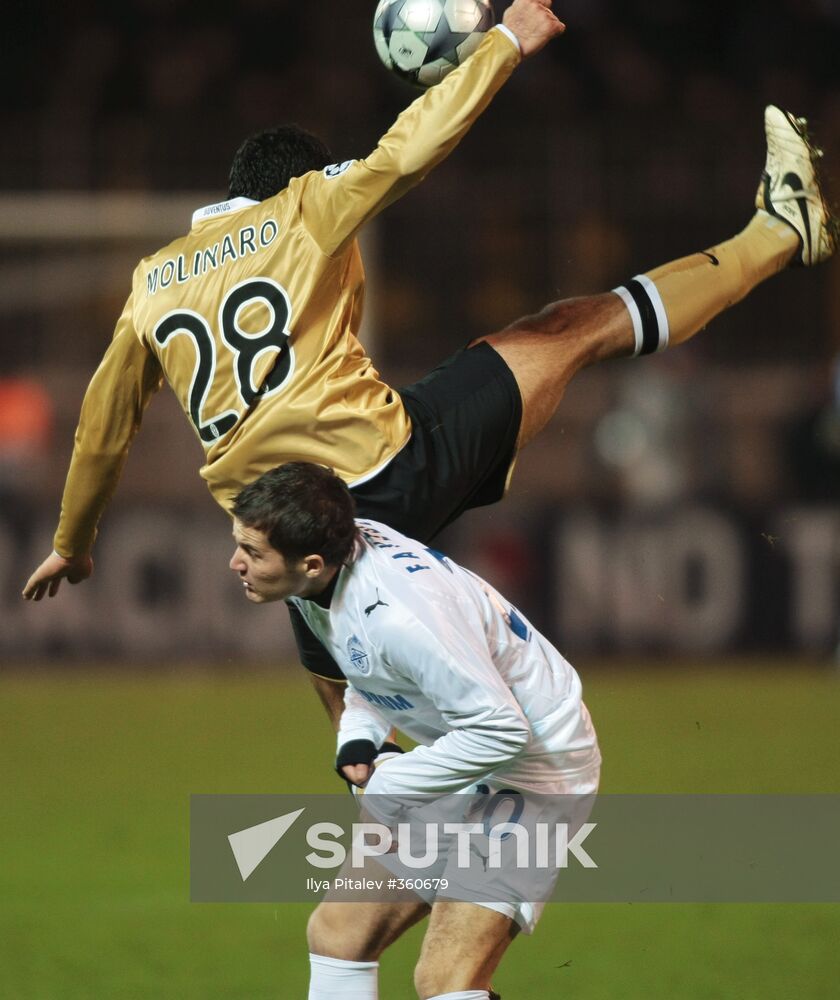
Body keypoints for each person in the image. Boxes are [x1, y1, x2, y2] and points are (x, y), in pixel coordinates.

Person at [22, 0, 837, 733]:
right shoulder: (304, 209)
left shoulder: (153, 281)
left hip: (285, 529)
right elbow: (406, 153)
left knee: (351, 718)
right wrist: (506, 44)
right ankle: (779, 231)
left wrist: (73, 542)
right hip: (387, 468)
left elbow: (102, 426)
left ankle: (403, 827)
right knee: (568, 331)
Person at [229, 461, 601, 1000]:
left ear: (310, 564)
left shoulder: (402, 617)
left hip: (534, 768)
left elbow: (501, 729)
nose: (236, 562)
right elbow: (374, 670)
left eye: (252, 552)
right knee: (339, 935)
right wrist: (359, 736)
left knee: (445, 980)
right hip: (461, 749)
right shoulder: (328, 568)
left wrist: (389, 784)